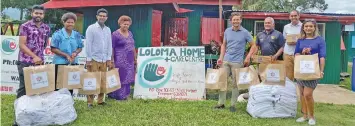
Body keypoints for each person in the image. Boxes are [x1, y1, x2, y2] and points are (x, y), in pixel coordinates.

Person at [14, 5, 51, 126]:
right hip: (25, 61)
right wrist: (34, 56)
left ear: (43, 15)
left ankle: (34, 115)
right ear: (32, 13)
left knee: (37, 89)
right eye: (36, 13)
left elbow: (44, 44)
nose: (38, 15)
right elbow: (22, 45)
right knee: (23, 89)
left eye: (41, 14)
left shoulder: (46, 28)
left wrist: (39, 57)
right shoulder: (25, 26)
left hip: (39, 63)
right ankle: (19, 117)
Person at [215, 12, 256, 112]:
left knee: (235, 84)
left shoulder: (245, 32)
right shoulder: (227, 31)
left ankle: (233, 105)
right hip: (226, 60)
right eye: (234, 19)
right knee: (222, 81)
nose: (236, 21)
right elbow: (224, 45)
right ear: (231, 21)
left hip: (237, 62)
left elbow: (254, 45)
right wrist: (221, 57)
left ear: (241, 20)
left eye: (238, 19)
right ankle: (221, 103)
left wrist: (248, 57)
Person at [294, 19, 326, 125]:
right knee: (302, 94)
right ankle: (304, 115)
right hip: (301, 70)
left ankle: (312, 117)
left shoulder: (320, 40)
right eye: (306, 26)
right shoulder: (300, 40)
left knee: (308, 94)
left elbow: (322, 56)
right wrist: (302, 52)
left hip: (313, 71)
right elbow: (296, 54)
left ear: (314, 28)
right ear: (303, 28)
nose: (308, 28)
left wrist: (321, 70)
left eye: (310, 26)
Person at [85, 8, 113, 108]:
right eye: (100, 15)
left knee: (102, 80)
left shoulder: (108, 29)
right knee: (92, 80)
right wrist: (88, 59)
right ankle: (90, 102)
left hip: (104, 59)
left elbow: (109, 44)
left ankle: (100, 101)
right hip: (93, 59)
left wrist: (109, 58)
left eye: (104, 16)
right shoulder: (91, 28)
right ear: (97, 17)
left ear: (106, 18)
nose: (102, 17)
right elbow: (88, 44)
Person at [51, 12, 83, 95]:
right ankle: (57, 105)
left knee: (70, 84)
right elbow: (53, 48)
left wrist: (75, 52)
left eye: (72, 22)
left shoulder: (77, 34)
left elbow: (80, 47)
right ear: (64, 22)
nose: (70, 24)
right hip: (59, 63)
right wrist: (66, 55)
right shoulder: (57, 34)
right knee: (58, 85)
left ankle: (68, 104)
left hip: (73, 62)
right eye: (68, 22)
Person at [108, 15, 136, 100]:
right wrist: (112, 60)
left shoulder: (130, 33)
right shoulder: (115, 34)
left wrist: (135, 58)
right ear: (120, 24)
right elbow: (111, 47)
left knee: (128, 76)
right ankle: (118, 95)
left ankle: (126, 94)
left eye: (127, 24)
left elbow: (133, 46)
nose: (126, 26)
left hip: (130, 59)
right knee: (121, 76)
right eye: (124, 24)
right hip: (120, 59)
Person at [283, 10, 302, 80]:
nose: (293, 17)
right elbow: (285, 39)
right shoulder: (286, 27)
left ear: (299, 16)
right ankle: (290, 90)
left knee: (300, 75)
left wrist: (296, 41)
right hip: (288, 54)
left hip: (299, 54)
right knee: (288, 76)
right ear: (289, 17)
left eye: (295, 15)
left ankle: (301, 90)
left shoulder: (303, 26)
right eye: (292, 16)